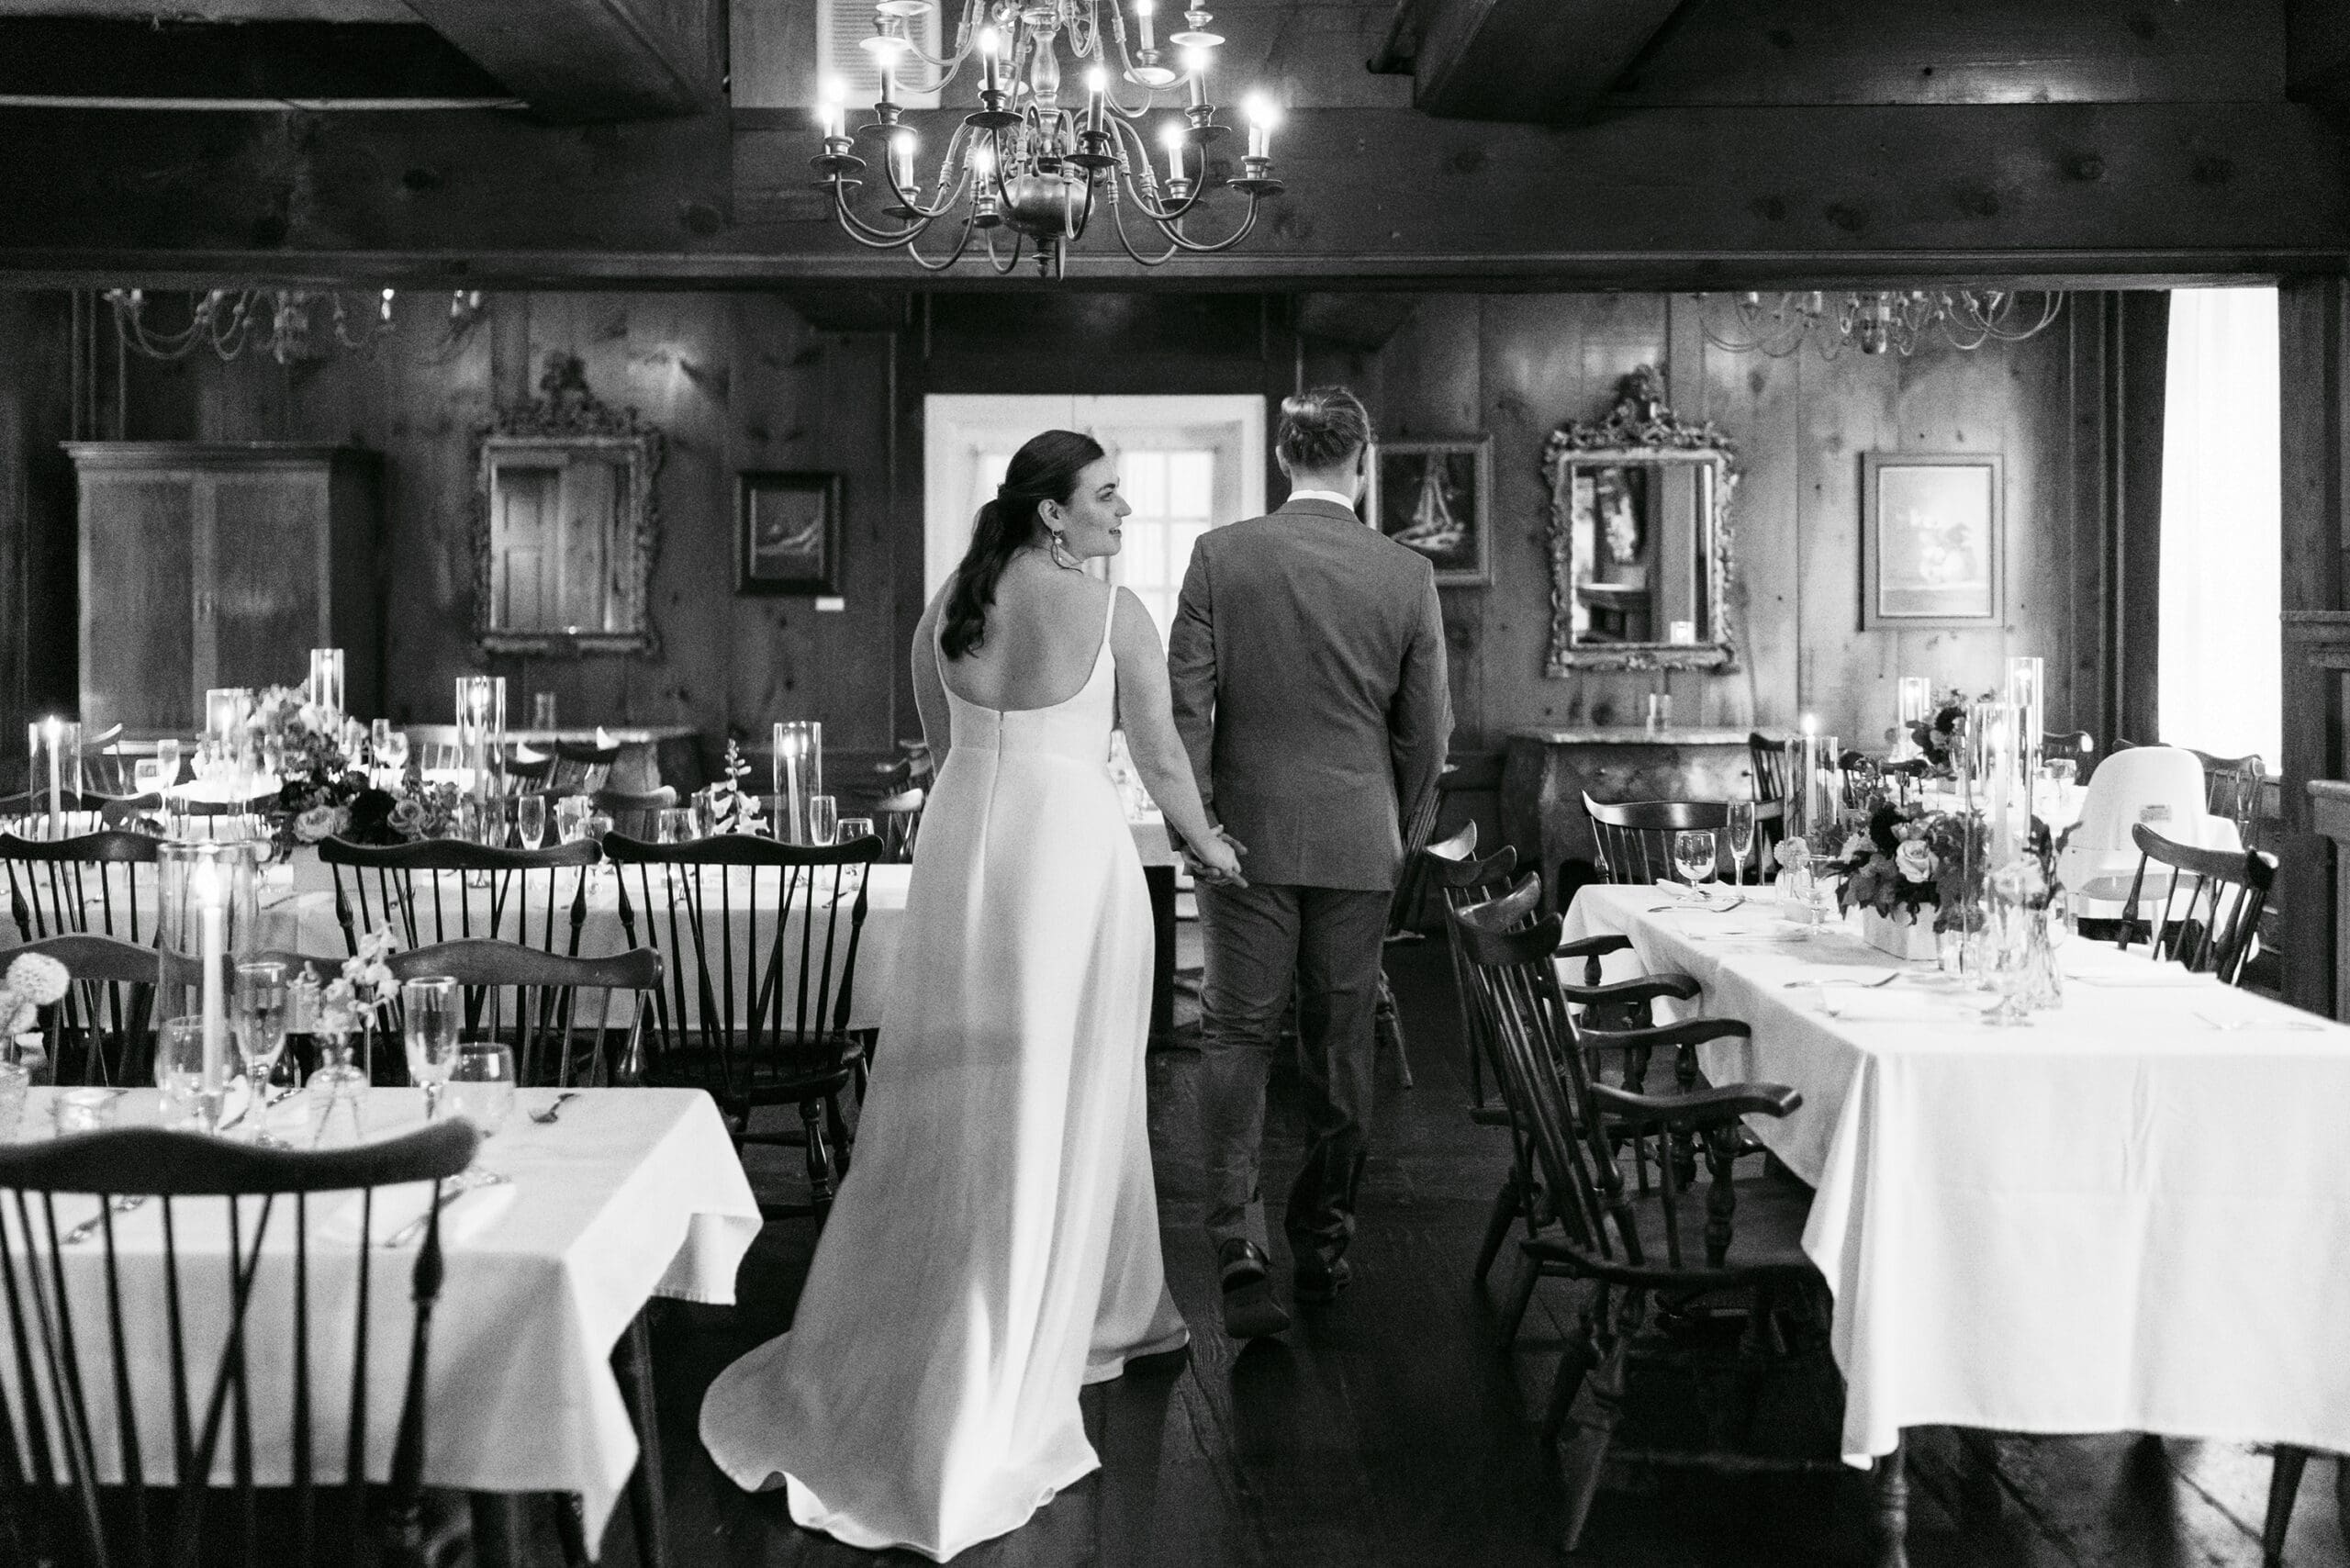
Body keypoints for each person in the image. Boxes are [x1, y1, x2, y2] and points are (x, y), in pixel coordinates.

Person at [699, 429, 1245, 1562]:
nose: (1122, 513)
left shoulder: (951, 599)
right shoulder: (1114, 612)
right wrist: (1207, 842)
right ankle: (1053, 1315)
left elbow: (938, 734)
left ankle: (1070, 1292)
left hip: (963, 838)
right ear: (1053, 513)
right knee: (1072, 1076)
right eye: (1103, 497)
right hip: (1067, 853)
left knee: (953, 1073)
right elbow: (1158, 756)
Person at [1167, 386, 1452, 1338]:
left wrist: (1200, 822)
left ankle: (1235, 1243)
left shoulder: (1221, 555)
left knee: (1234, 1036)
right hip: (1355, 840)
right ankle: (1322, 1241)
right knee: (1339, 1044)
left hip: (1243, 841)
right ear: (1360, 460)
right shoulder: (1405, 572)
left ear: (1286, 460)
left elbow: (1186, 708)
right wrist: (1399, 826)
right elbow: (1430, 730)